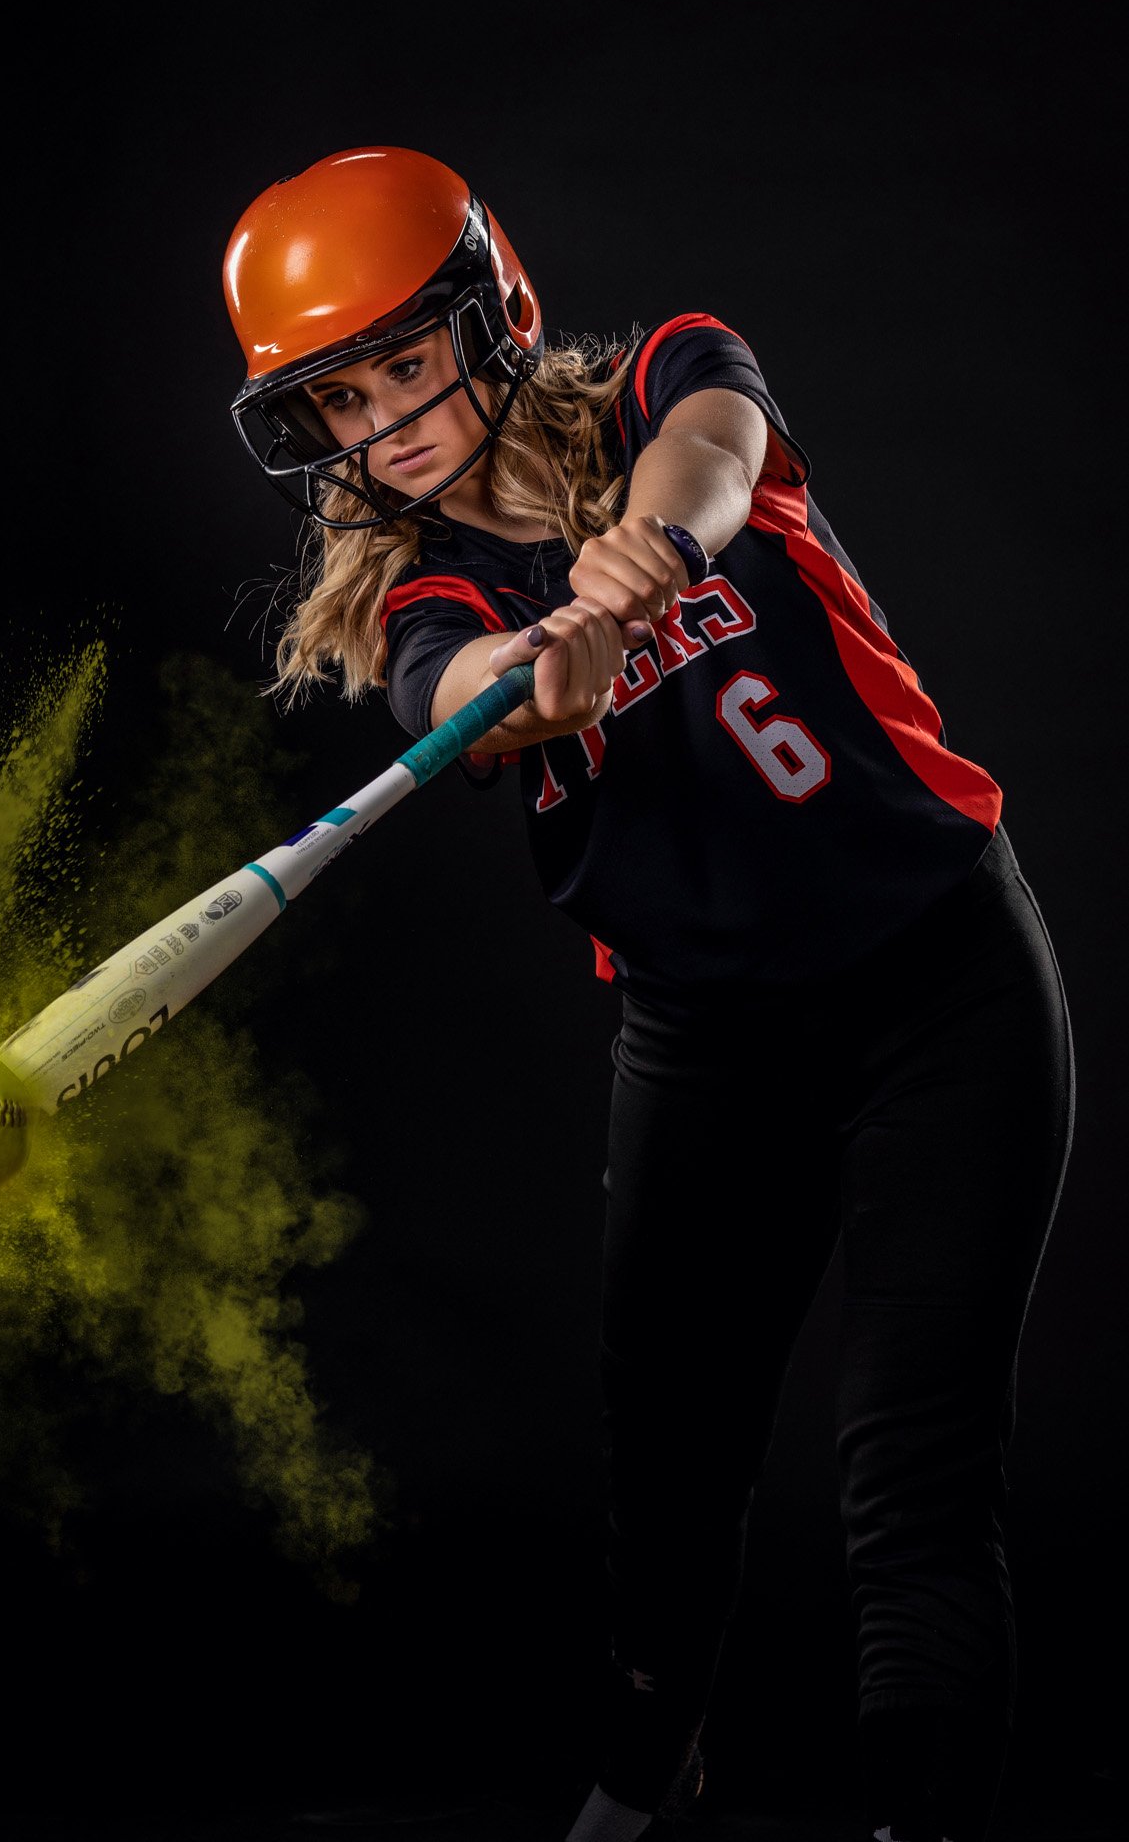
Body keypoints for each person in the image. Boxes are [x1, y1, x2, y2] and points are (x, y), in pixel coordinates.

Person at [220, 146, 1075, 1842]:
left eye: (403, 362)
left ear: (489, 315)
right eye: (335, 398)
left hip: (944, 986)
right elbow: (454, 689)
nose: (382, 419)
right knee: (671, 1483)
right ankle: (638, 1780)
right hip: (707, 1050)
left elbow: (715, 450)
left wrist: (648, 551)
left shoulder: (665, 376)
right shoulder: (420, 596)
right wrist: (532, 681)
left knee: (913, 1475)